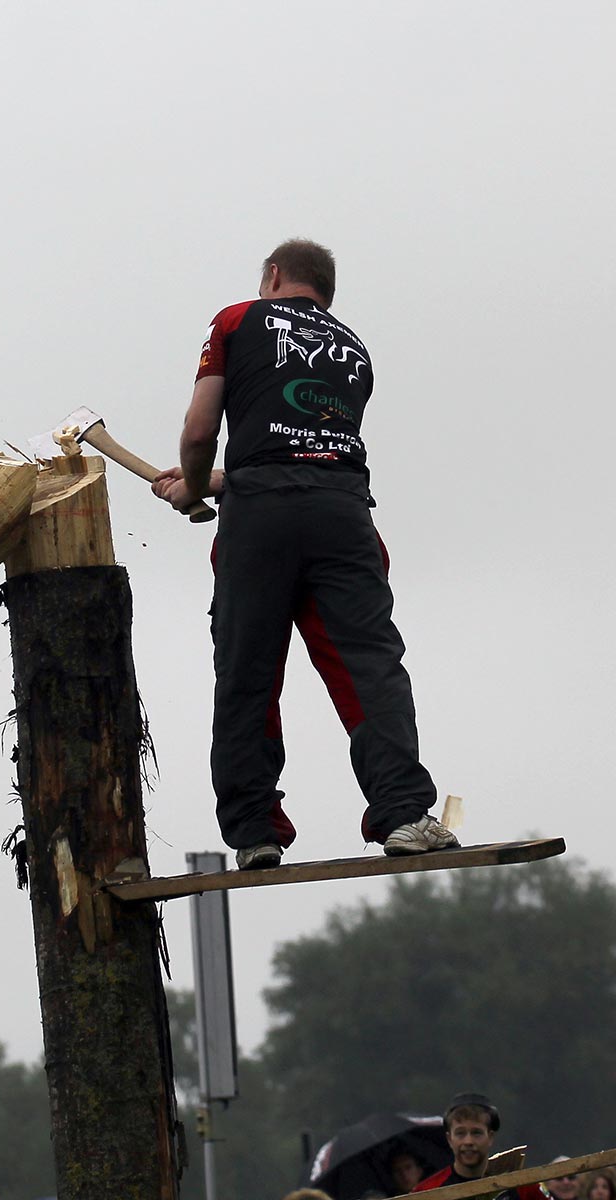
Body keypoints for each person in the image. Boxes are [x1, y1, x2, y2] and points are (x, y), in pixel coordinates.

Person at [153, 238, 459, 868]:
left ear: (272, 276)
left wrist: (192, 485)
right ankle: (403, 813)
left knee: (248, 670)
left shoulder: (237, 319)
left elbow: (201, 431)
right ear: (327, 291)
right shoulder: (355, 348)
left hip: (258, 518)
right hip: (342, 512)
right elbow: (304, 452)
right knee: (369, 666)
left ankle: (255, 833)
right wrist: (206, 479)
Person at [413, 1092, 541, 1200]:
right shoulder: (427, 1193)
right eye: (460, 1133)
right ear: (449, 1139)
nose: (468, 1141)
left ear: (490, 1137)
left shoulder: (521, 1186)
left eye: (476, 1133)